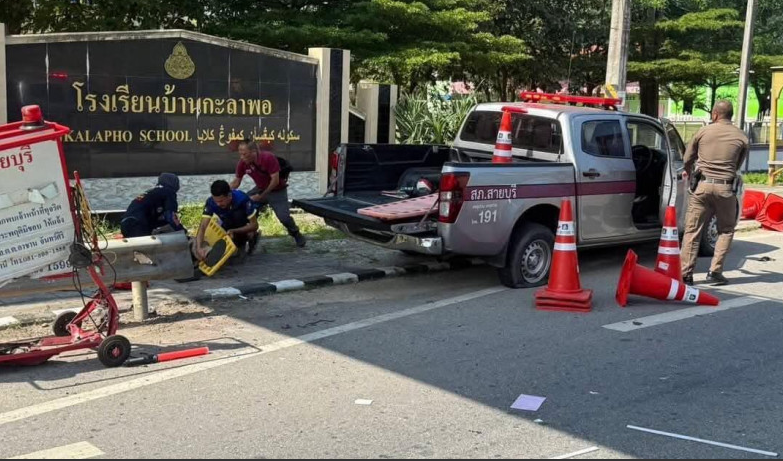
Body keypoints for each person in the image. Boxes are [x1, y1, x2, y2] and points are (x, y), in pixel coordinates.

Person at [680, 100, 749, 286]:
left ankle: (686, 274)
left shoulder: (703, 131)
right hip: (725, 189)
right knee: (725, 230)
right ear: (731, 115)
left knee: (692, 231)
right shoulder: (741, 136)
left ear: (715, 114)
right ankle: (715, 272)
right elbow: (737, 165)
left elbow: (687, 158)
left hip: (701, 187)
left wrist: (690, 171)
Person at [230, 140, 306, 247]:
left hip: (276, 190)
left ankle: (295, 233)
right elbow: (236, 182)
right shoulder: (242, 163)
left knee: (284, 218)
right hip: (260, 188)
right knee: (242, 206)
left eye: (244, 154)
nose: (242, 157)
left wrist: (261, 196)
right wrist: (223, 191)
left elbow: (275, 181)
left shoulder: (268, 158)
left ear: (253, 151)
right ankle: (251, 235)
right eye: (240, 154)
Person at [195, 180, 259, 261]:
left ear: (229, 196)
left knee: (237, 215)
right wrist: (199, 247)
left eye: (221, 201)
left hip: (243, 220)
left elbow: (254, 225)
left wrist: (234, 231)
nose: (218, 204)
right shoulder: (210, 202)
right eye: (216, 201)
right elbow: (203, 226)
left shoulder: (242, 199)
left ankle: (249, 237)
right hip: (226, 220)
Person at [120, 173, 184, 238]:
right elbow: (171, 217)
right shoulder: (169, 192)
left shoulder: (151, 192)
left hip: (125, 224)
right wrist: (183, 233)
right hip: (138, 225)